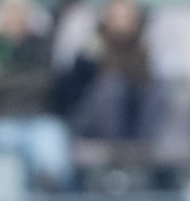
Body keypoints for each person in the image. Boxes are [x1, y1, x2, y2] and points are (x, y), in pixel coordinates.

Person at [0, 0, 72, 187]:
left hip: (39, 119)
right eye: (10, 12)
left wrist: (9, 78)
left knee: (53, 148)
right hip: (2, 120)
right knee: (0, 161)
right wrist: (23, 78)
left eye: (20, 12)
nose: (15, 17)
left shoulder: (40, 45)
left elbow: (46, 82)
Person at [58, 0, 167, 160]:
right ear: (107, 18)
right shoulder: (93, 44)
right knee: (112, 86)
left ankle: (144, 151)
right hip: (91, 116)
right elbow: (74, 89)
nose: (122, 22)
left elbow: (143, 81)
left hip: (132, 116)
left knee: (155, 91)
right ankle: (114, 153)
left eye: (127, 18)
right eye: (118, 17)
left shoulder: (141, 46)